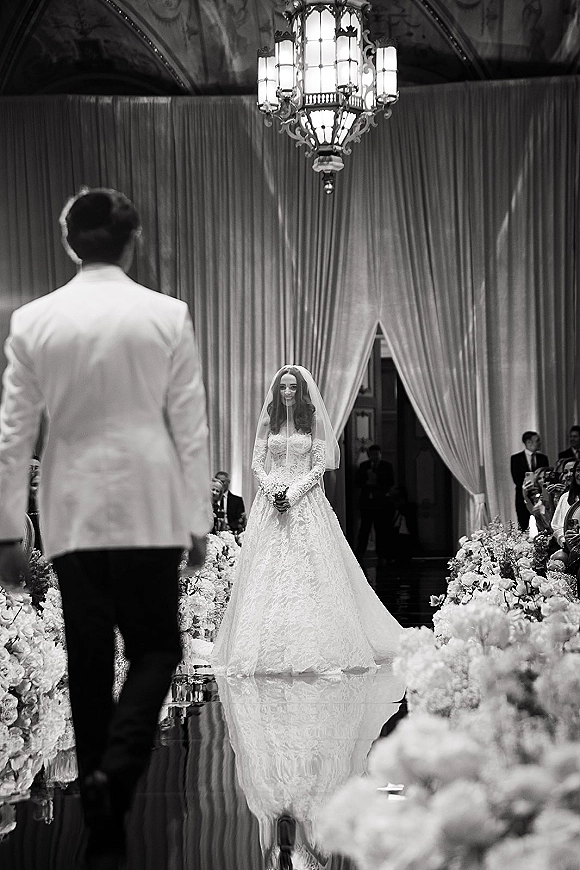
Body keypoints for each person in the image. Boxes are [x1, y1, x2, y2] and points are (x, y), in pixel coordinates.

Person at [0, 188, 212, 869]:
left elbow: (13, 437)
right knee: (156, 647)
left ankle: (99, 785)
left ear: (69, 242)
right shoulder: (166, 315)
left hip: (71, 504)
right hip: (150, 502)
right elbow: (189, 423)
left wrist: (8, 528)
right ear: (133, 240)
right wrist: (197, 517)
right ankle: (114, 769)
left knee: (88, 652)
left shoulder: (35, 321)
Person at [211, 365, 403, 676]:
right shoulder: (268, 420)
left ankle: (318, 644)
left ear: (301, 391)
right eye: (282, 387)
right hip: (271, 501)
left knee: (309, 568)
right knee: (265, 570)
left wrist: (296, 490)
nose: (286, 392)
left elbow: (320, 465)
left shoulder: (310, 421)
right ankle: (259, 646)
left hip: (305, 499)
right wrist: (272, 487)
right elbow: (257, 463)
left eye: (292, 388)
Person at [354, 444, 395, 565]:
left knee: (381, 530)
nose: (374, 457)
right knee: (364, 530)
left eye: (376, 454)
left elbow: (390, 482)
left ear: (380, 454)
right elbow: (357, 482)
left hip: (381, 503)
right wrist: (367, 481)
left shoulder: (387, 466)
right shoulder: (364, 466)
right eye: (372, 455)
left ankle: (382, 555)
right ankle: (360, 554)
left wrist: (377, 480)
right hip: (367, 503)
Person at [510, 431, 549, 531]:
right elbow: (516, 479)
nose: (540, 443)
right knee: (523, 526)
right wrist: (528, 489)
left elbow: (545, 477)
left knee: (543, 525)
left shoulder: (543, 458)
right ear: (528, 442)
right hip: (522, 496)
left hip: (541, 497)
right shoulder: (516, 458)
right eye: (537, 440)